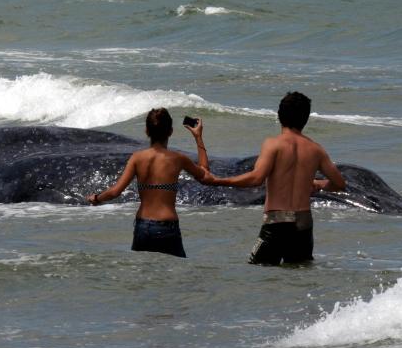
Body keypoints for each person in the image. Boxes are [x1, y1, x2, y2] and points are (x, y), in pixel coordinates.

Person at [199, 92, 346, 265]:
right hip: (304, 223)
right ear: (306, 119)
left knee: (257, 271)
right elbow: (339, 184)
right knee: (298, 275)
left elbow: (256, 178)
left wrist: (217, 180)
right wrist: (319, 184)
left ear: (279, 115)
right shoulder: (316, 150)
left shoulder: (273, 144)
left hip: (277, 221)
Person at [87, 108, 210, 258]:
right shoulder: (178, 159)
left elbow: (115, 192)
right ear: (170, 131)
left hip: (143, 227)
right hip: (167, 227)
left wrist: (97, 198)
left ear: (146, 131)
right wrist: (198, 137)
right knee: (176, 278)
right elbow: (205, 175)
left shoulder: (137, 158)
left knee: (143, 278)